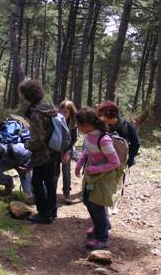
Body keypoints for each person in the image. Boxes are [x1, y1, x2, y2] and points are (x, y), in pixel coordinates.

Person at [75, 107, 120, 250]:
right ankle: (100, 226)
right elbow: (88, 151)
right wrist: (79, 164)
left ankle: (102, 238)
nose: (77, 126)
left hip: (103, 177)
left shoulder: (104, 140)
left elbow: (115, 162)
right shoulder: (89, 135)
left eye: (79, 124)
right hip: (93, 176)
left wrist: (95, 169)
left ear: (87, 124)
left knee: (97, 205)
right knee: (88, 201)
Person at [19, 80, 59, 224]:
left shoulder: (36, 112)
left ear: (28, 94)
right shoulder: (48, 105)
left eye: (23, 93)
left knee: (36, 182)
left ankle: (44, 214)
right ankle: (53, 210)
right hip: (55, 149)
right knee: (49, 181)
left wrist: (27, 144)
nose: (21, 96)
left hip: (43, 153)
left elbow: (38, 139)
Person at [96, 100, 140, 214]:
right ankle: (106, 206)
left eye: (103, 114)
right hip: (105, 161)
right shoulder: (102, 126)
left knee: (118, 183)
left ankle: (114, 204)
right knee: (105, 182)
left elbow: (136, 143)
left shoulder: (126, 125)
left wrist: (129, 160)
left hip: (122, 161)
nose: (101, 117)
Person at [58, 100, 78, 205]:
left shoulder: (73, 124)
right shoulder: (56, 120)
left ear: (70, 112)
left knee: (66, 171)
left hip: (67, 150)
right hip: (56, 150)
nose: (62, 114)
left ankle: (67, 194)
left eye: (65, 112)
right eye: (61, 111)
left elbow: (74, 139)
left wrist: (68, 152)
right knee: (54, 172)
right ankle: (51, 192)